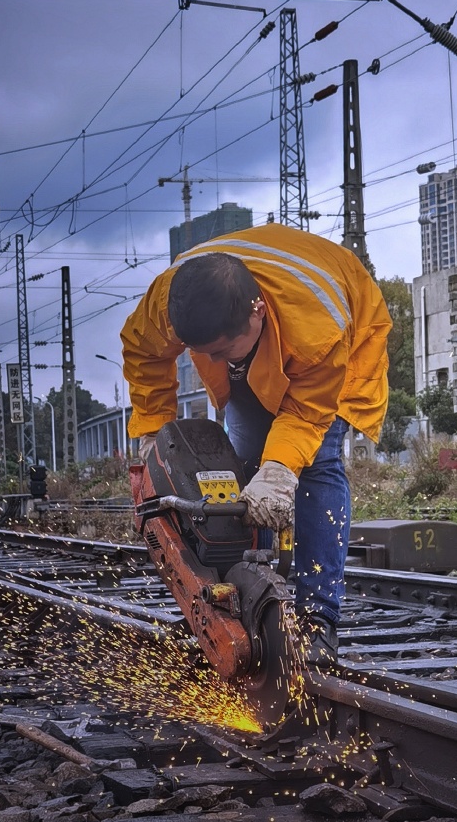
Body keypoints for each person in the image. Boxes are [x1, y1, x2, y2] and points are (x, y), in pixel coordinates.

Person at [121, 224, 391, 662]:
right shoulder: (168, 300)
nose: (212, 363)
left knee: (314, 465)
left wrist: (281, 471)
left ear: (258, 312)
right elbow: (143, 351)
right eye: (203, 353)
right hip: (270, 338)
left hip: (345, 341)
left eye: (223, 349)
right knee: (243, 470)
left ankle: (316, 618)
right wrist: (155, 428)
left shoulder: (318, 331)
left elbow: (305, 414)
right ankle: (253, 599)